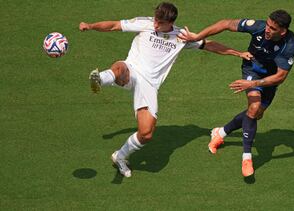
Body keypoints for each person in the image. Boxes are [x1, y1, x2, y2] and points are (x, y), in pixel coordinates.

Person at [79, 2, 251, 177]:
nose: (155, 25)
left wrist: (238, 53)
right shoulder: (145, 23)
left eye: (159, 23)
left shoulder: (181, 37)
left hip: (150, 85)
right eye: (155, 20)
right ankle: (99, 79)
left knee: (146, 134)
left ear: (170, 22)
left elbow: (210, 45)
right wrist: (90, 26)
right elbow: (115, 25)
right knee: (120, 68)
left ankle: (120, 156)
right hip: (132, 70)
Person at [178, 10, 294, 177]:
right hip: (252, 69)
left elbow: (280, 77)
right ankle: (247, 157)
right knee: (254, 107)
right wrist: (197, 37)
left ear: (282, 31)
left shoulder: (289, 46)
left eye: (272, 28)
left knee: (256, 114)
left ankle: (220, 133)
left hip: (269, 79)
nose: (267, 30)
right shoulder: (258, 27)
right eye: (267, 25)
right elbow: (226, 23)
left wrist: (253, 84)